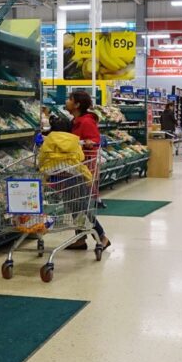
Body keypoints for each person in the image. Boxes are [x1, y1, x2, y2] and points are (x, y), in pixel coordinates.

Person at [63, 90, 111, 251]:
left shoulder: (86, 122)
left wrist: (90, 142)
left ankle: (102, 237)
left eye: (70, 99)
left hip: (84, 169)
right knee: (73, 201)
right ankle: (80, 238)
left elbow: (96, 141)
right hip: (73, 167)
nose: (67, 101)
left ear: (77, 104)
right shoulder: (75, 121)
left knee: (82, 204)